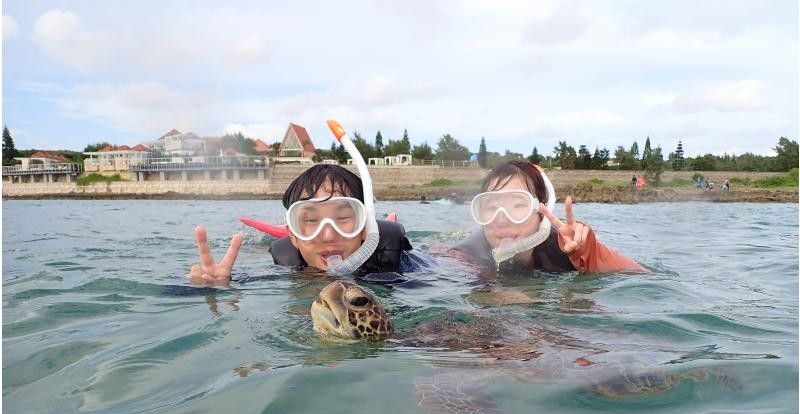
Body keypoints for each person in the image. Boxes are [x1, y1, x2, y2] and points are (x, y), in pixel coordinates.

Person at [189, 164, 413, 284]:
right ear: (293, 235)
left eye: (343, 218)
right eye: (310, 220)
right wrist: (215, 285)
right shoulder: (285, 265)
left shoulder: (395, 261)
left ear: (365, 228)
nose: (327, 235)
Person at [450, 160, 646, 273]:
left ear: (541, 212)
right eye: (492, 207)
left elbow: (641, 274)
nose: (502, 218)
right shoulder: (466, 255)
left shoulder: (563, 247)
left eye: (518, 205)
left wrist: (589, 254)